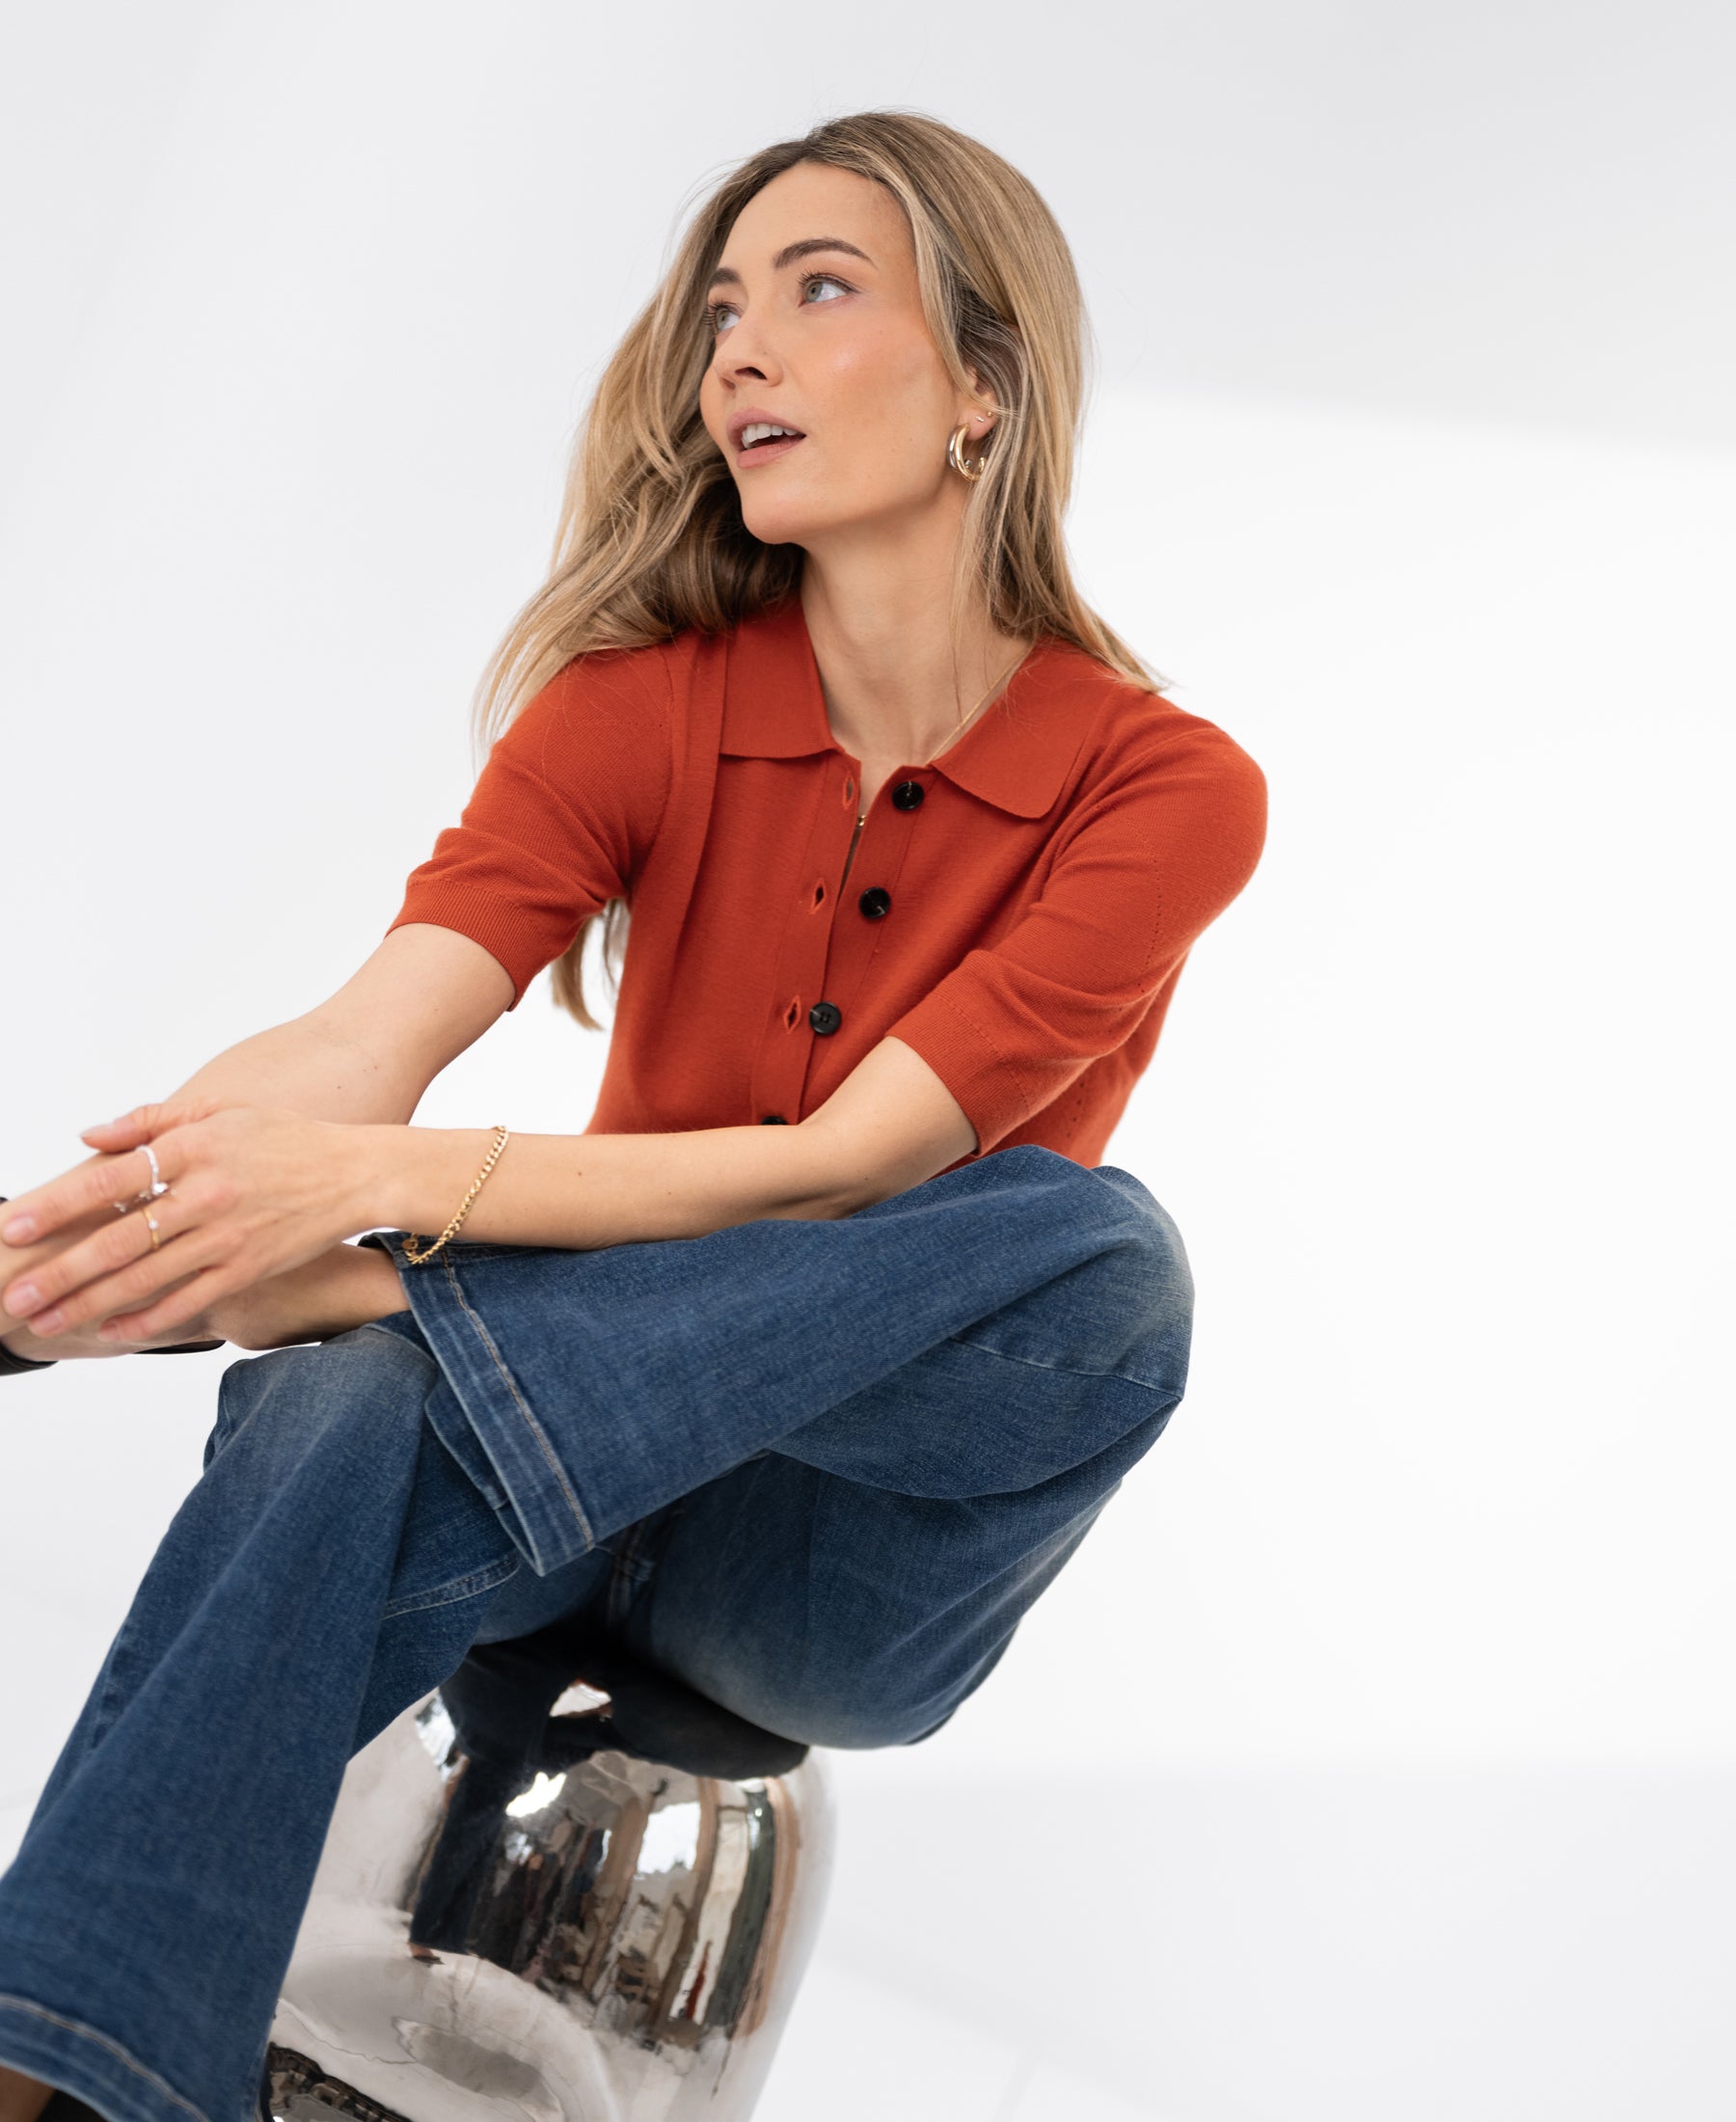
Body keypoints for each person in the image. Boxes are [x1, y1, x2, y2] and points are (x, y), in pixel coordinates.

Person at [0, 111, 1266, 2122]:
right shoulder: (644, 699)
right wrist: (93, 1241)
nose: (738, 347)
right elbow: (360, 1043)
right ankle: (64, 2076)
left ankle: (404, 1319)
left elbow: (856, 1165)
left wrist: (389, 1234)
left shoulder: (1165, 785)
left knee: (1103, 1263)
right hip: (537, 1498)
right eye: (723, 308)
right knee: (340, 1399)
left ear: (986, 382)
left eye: (818, 289)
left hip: (818, 1565)